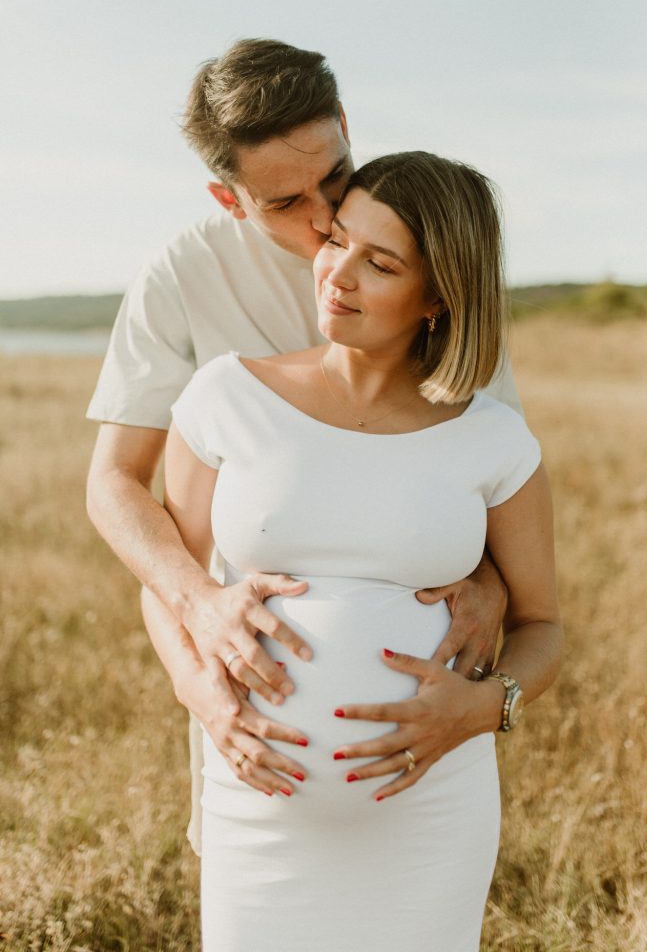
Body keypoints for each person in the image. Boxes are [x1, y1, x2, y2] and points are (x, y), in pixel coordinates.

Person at [85, 39, 521, 853]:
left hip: (422, 763)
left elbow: (487, 463)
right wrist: (197, 631)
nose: (326, 218)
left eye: (335, 173)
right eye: (287, 202)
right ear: (229, 197)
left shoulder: (430, 251)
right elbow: (114, 482)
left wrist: (492, 579)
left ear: (346, 126)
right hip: (248, 712)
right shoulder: (180, 277)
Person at [164, 152, 563, 950]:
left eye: (379, 263)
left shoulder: (492, 440)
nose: (336, 273)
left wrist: (487, 707)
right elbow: (168, 581)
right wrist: (198, 692)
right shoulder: (226, 397)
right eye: (337, 240)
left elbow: (544, 624)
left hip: (431, 815)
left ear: (438, 297)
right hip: (257, 802)